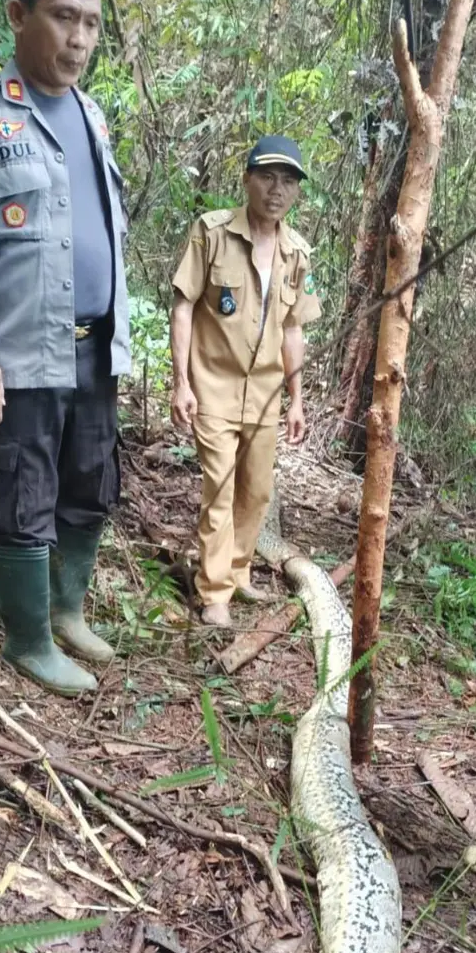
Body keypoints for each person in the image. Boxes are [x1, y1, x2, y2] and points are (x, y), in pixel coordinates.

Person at [0, 0, 130, 697]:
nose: (78, 39)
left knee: (90, 478)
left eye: (91, 24)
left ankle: (67, 608)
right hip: (17, 344)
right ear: (19, 16)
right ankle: (27, 638)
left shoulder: (93, 115)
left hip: (94, 344)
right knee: (20, 486)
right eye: (62, 17)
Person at [169, 136, 321, 627]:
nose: (278, 190)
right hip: (213, 383)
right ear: (248, 179)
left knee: (256, 491)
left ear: (297, 192)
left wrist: (297, 399)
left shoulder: (297, 253)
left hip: (266, 394)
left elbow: (293, 328)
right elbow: (183, 304)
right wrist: (181, 382)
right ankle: (213, 593)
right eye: (268, 177)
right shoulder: (212, 232)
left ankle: (235, 572)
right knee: (219, 485)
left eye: (289, 181)